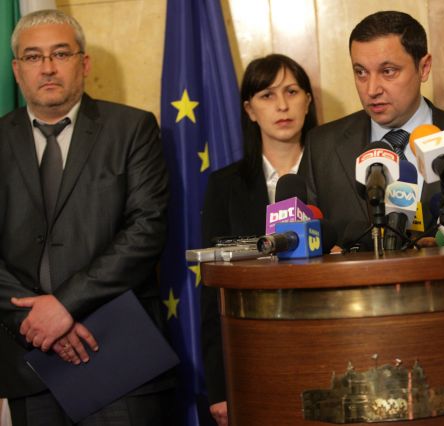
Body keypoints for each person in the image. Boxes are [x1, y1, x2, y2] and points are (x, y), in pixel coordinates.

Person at [0, 9, 174, 425]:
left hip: (116, 351)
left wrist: (64, 305)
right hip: (30, 357)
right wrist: (34, 318)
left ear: (84, 62)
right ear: (17, 70)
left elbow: (146, 229)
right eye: (33, 57)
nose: (47, 67)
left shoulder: (131, 129)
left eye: (60, 53)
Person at [299, 10, 444, 244]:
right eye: (361, 72)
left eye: (388, 71)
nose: (371, 89)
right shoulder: (321, 147)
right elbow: (305, 240)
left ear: (424, 68)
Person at [200, 53, 317, 426]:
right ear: (250, 110)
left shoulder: (337, 175)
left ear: (308, 101)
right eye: (267, 95)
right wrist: (219, 386)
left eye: (291, 92)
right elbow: (212, 292)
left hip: (329, 342)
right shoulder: (225, 187)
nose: (282, 105)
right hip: (256, 355)